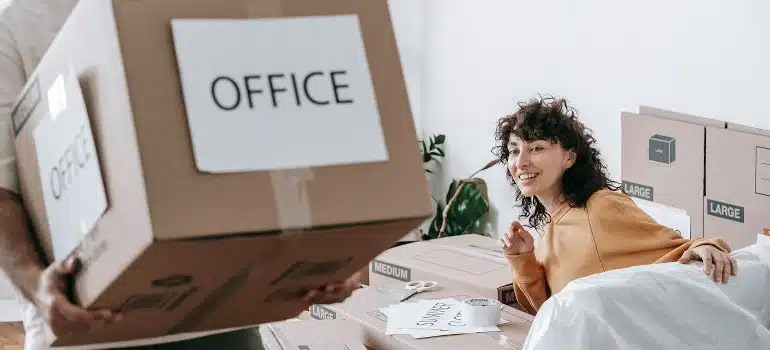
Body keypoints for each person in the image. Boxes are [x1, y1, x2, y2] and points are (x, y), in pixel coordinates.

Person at [0, 1, 361, 349]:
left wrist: (329, 252)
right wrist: (40, 291)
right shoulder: (17, 27)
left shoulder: (206, 10)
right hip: (81, 333)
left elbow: (275, 143)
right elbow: (3, 193)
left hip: (221, 320)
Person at [493, 96, 736, 315]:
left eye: (536, 148)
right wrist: (523, 259)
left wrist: (707, 245)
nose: (521, 162)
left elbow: (677, 250)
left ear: (569, 157)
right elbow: (551, 314)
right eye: (514, 151)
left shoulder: (600, 207)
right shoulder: (549, 226)